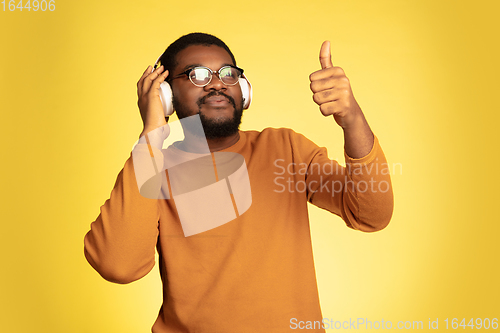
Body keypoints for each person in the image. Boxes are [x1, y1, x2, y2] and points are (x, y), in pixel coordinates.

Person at [84, 32, 394, 332]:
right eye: (197, 75)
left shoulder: (285, 149)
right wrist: (151, 135)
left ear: (244, 90)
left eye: (228, 73)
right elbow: (118, 265)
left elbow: (370, 214)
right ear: (165, 95)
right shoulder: (152, 169)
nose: (218, 83)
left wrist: (352, 119)